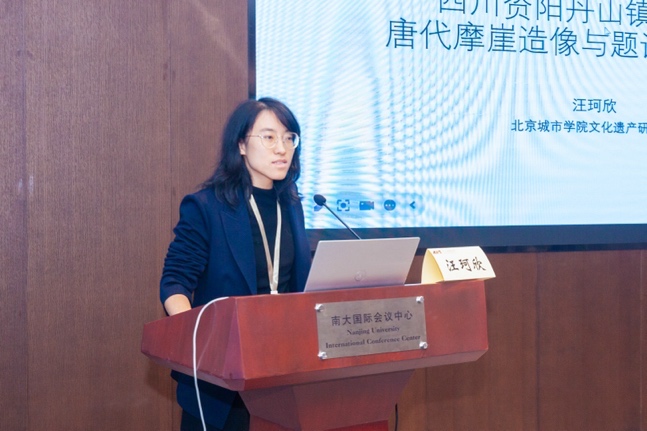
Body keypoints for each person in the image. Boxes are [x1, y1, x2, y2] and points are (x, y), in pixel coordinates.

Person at [159, 97, 312, 431]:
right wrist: (198, 343)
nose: (282, 148)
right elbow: (174, 282)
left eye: (289, 138)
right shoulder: (206, 206)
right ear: (241, 145)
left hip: (282, 371)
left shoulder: (292, 206)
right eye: (269, 137)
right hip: (221, 379)